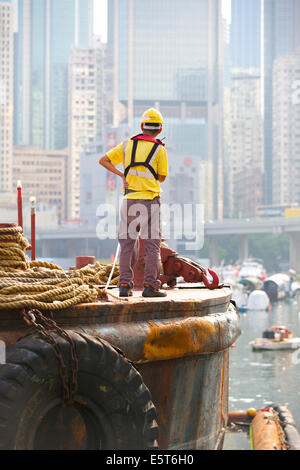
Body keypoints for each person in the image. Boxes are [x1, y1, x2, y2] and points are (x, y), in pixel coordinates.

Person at [99, 108, 168, 298]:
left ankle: (123, 285)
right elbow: (161, 177)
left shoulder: (127, 145)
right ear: (159, 130)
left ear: (141, 126)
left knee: (127, 244)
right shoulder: (160, 149)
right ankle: (150, 287)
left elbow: (103, 160)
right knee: (152, 245)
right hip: (150, 201)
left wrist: (123, 175)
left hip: (128, 201)